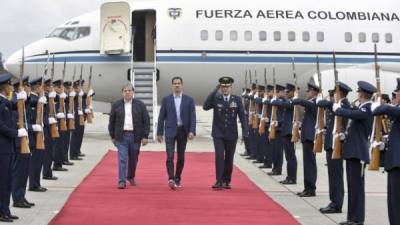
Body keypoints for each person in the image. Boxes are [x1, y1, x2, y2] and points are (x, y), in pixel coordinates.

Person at [334, 81, 375, 225]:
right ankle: (352, 218)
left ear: (362, 94)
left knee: (357, 188)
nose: (357, 94)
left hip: (359, 153)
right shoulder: (361, 108)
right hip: (352, 152)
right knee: (352, 187)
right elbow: (354, 128)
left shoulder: (367, 108)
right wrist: (345, 136)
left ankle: (358, 219)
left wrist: (338, 109)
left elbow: (352, 114)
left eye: (359, 92)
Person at [203, 76, 249, 190]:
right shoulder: (216, 98)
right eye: (222, 87)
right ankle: (218, 181)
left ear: (231, 87)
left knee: (229, 158)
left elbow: (242, 116)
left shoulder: (237, 99)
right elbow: (205, 107)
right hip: (218, 133)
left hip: (231, 133)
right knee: (219, 155)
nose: (224, 89)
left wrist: (245, 131)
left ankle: (226, 180)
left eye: (227, 87)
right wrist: (214, 91)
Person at [317, 82, 352, 214]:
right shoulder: (338, 104)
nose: (332, 95)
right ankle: (333, 201)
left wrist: (321, 100)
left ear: (340, 93)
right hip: (332, 144)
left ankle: (337, 203)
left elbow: (323, 104)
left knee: (336, 175)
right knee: (333, 175)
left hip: (337, 145)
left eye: (334, 93)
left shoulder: (342, 105)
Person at [157, 76, 196, 189]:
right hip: (170, 130)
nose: (177, 85)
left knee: (181, 157)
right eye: (175, 83)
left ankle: (178, 177)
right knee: (169, 156)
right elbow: (161, 117)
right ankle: (171, 178)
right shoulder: (166, 99)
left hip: (183, 131)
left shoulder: (189, 100)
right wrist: (159, 133)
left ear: (182, 85)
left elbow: (193, 117)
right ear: (172, 85)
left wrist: (192, 131)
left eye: (179, 83)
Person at [108, 83, 150, 189]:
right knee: (122, 159)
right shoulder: (116, 105)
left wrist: (145, 136)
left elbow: (146, 121)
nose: (127, 92)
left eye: (129, 90)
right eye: (125, 91)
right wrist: (112, 136)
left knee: (134, 159)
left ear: (133, 92)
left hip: (135, 136)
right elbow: (111, 122)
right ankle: (121, 181)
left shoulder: (140, 104)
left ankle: (130, 176)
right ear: (122, 93)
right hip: (121, 136)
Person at [372, 78, 400, 225]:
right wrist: (385, 145)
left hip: (398, 164)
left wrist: (379, 104)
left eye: (397, 94)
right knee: (393, 202)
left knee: (396, 203)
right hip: (394, 162)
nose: (394, 97)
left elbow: (384, 110)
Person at [0, 71, 26, 222]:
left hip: (7, 148)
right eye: (9, 84)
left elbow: (16, 106)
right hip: (2, 149)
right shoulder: (1, 103)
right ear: (4, 87)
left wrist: (24, 98)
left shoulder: (5, 102)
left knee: (8, 181)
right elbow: (1, 127)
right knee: (3, 182)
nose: (11, 87)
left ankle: (6, 210)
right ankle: (2, 211)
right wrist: (17, 133)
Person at [292, 82, 319, 197]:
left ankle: (311, 188)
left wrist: (296, 98)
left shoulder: (315, 103)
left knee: (310, 163)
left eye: (309, 91)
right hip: (307, 136)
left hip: (310, 137)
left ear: (314, 92)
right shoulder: (311, 103)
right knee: (307, 163)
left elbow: (300, 102)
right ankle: (307, 187)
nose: (307, 93)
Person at [276, 83, 297, 184]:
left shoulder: (293, 102)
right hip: (286, 130)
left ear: (293, 92)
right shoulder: (289, 101)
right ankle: (289, 176)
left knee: (291, 156)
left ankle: (292, 177)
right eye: (285, 92)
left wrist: (282, 98)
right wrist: (278, 123)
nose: (286, 93)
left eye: (287, 92)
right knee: (288, 156)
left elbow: (284, 104)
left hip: (289, 132)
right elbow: (286, 118)